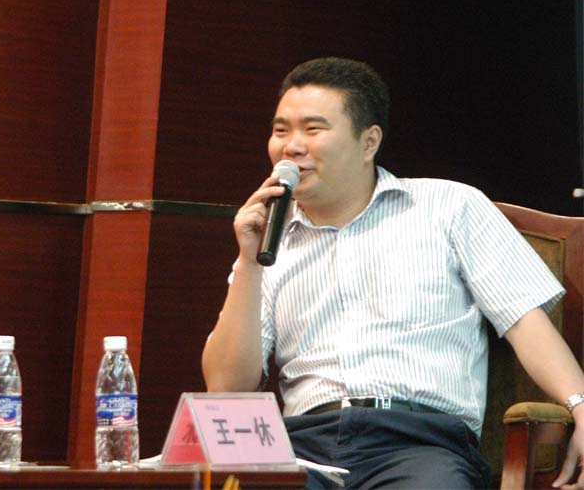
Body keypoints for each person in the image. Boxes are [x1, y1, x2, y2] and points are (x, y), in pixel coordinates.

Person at [202, 57, 584, 489]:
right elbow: (225, 389)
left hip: (420, 444)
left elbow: (524, 322)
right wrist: (249, 262)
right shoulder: (270, 241)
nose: (291, 146)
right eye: (280, 130)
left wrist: (580, 403)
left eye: (312, 129)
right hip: (303, 447)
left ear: (369, 142)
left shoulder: (448, 207)